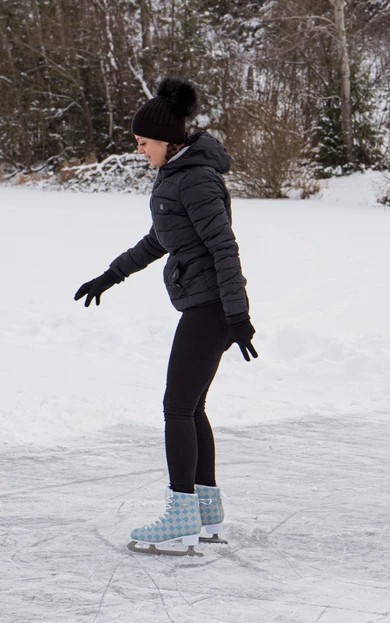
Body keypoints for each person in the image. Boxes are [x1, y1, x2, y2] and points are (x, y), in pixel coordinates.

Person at [74, 77, 258, 555]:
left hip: (210, 307)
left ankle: (181, 517)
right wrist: (109, 276)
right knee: (190, 406)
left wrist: (237, 316)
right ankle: (206, 511)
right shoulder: (177, 176)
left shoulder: (194, 179)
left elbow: (223, 246)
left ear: (168, 141)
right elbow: (161, 239)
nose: (139, 152)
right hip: (206, 304)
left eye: (142, 143)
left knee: (176, 407)